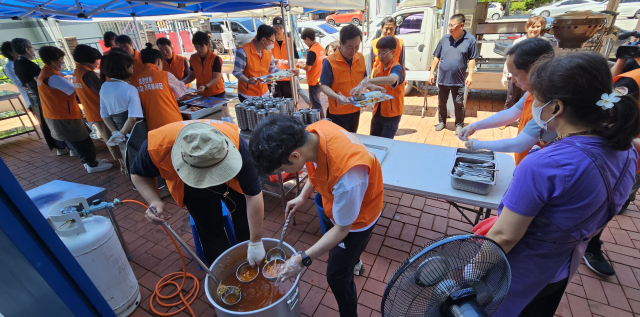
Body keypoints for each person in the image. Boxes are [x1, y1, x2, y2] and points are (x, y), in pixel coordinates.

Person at [485, 52, 639, 317]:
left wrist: (468, 273)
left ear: (555, 107)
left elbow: (504, 236)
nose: (533, 106)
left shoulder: (544, 165)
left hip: (517, 274)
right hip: (561, 269)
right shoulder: (627, 151)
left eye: (538, 100)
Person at [250, 115, 383, 317]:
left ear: (294, 156)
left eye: (280, 169)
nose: (281, 172)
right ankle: (352, 259)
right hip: (337, 205)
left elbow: (342, 229)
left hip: (358, 220)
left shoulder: (349, 177)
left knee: (337, 277)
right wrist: (303, 196)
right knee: (337, 249)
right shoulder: (312, 133)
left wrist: (302, 260)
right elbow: (319, 163)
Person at [130, 120, 266, 266]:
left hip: (231, 183)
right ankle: (222, 272)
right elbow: (138, 174)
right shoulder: (156, 147)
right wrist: (154, 200)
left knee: (245, 219)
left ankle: (249, 259)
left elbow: (253, 195)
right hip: (191, 189)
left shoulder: (238, 146)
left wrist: (256, 242)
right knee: (210, 231)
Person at [582, 61, 640, 277]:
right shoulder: (633, 79)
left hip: (627, 159)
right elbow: (609, 113)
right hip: (621, 154)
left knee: (613, 203)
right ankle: (589, 246)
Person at [459, 38, 556, 166]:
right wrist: (476, 126)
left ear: (535, 70)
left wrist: (477, 144)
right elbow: (511, 114)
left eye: (515, 75)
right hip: (524, 163)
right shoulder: (531, 94)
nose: (513, 81)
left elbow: (518, 144)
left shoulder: (549, 106)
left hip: (538, 169)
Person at [37, 46, 112, 173]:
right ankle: (91, 164)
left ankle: (91, 161)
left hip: (60, 113)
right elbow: (75, 90)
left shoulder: (47, 72)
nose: (62, 62)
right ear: (52, 60)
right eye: (61, 59)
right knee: (78, 141)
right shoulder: (53, 76)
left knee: (82, 138)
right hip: (62, 115)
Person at [11, 38, 68, 155]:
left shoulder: (16, 63)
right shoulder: (28, 64)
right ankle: (62, 146)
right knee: (52, 121)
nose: (33, 49)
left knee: (46, 122)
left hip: (32, 97)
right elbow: (41, 82)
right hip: (41, 96)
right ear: (27, 49)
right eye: (32, 47)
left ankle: (60, 147)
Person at [71, 44, 124, 172]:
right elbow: (103, 90)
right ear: (87, 59)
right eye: (95, 60)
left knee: (109, 136)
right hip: (99, 112)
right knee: (111, 137)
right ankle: (122, 162)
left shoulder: (76, 72)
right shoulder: (88, 74)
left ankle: (121, 160)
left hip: (92, 111)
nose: (97, 63)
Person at [428, 14, 479, 135]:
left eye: (452, 25)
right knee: (441, 102)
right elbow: (436, 57)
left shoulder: (470, 39)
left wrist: (470, 75)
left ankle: (459, 124)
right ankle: (442, 122)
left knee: (458, 103)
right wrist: (431, 73)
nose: (450, 28)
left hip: (459, 79)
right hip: (443, 79)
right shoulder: (444, 39)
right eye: (449, 25)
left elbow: (472, 59)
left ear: (461, 25)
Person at [354, 36, 405, 139]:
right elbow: (376, 89)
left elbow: (392, 80)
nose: (380, 56)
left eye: (384, 53)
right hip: (377, 112)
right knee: (374, 140)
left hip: (392, 114)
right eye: (379, 53)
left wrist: (368, 81)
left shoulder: (397, 68)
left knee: (385, 143)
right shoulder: (378, 69)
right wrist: (365, 97)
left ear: (393, 51)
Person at [320, 24, 367, 132]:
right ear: (340, 43)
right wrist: (337, 97)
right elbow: (324, 86)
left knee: (352, 138)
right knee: (340, 144)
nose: (353, 51)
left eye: (357, 47)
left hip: (355, 110)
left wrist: (369, 92)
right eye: (350, 47)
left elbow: (364, 80)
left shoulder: (360, 58)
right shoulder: (330, 61)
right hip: (338, 113)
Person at [232, 25, 297, 102]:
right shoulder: (243, 51)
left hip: (264, 92)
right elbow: (236, 71)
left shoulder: (268, 51)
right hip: (248, 94)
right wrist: (247, 81)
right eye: (272, 41)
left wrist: (288, 72)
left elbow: (272, 68)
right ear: (263, 40)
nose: (273, 44)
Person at [130, 43, 187, 131]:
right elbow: (181, 91)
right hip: (173, 121)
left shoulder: (134, 80)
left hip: (153, 125)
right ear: (159, 61)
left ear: (142, 61)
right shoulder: (165, 75)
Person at [99, 48, 144, 158]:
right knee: (140, 156)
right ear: (125, 68)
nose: (132, 68)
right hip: (135, 130)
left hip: (117, 127)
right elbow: (133, 118)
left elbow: (104, 114)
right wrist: (122, 133)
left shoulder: (104, 86)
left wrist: (115, 132)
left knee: (127, 156)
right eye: (131, 66)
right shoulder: (129, 89)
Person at [501, 16, 545, 114]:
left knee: (527, 99)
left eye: (538, 26)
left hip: (532, 77)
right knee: (511, 97)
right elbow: (509, 58)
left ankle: (522, 118)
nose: (535, 29)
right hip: (517, 75)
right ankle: (507, 117)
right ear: (526, 28)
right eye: (532, 27)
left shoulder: (543, 43)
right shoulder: (518, 42)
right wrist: (506, 74)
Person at [182, 31, 225, 98]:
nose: (199, 50)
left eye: (201, 47)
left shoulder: (215, 58)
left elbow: (216, 78)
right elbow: (192, 75)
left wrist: (206, 86)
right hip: (202, 93)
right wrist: (181, 83)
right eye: (196, 47)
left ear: (207, 45)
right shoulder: (193, 58)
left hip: (217, 93)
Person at [270, 17, 300, 99]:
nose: (278, 31)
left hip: (288, 77)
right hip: (275, 78)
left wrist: (289, 61)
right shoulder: (270, 41)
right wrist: (273, 61)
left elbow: (296, 59)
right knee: (277, 103)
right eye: (276, 28)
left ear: (283, 28)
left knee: (290, 102)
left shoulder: (290, 41)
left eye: (280, 28)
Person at [299, 28, 327, 118]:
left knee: (316, 105)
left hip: (313, 81)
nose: (305, 43)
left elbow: (308, 67)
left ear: (307, 38)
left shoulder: (312, 51)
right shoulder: (321, 48)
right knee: (317, 102)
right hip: (320, 79)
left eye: (304, 40)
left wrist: (300, 65)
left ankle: (321, 120)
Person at [1, 41, 31, 111]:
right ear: (10, 52)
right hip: (30, 98)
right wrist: (32, 82)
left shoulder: (22, 60)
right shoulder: (9, 67)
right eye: (15, 49)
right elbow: (18, 83)